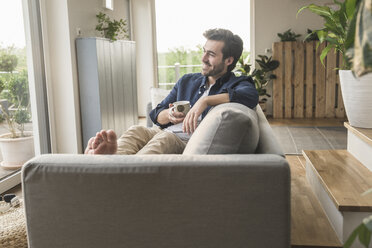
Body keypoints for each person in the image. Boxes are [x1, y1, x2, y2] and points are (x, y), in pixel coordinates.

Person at [85, 28, 259, 155]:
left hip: (183, 140)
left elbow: (250, 96)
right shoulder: (188, 81)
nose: (203, 58)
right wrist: (169, 115)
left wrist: (205, 101)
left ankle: (110, 167)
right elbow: (156, 113)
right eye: (204, 51)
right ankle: (107, 161)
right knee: (135, 131)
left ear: (229, 60)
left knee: (160, 142)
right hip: (163, 131)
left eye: (211, 54)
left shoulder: (238, 83)